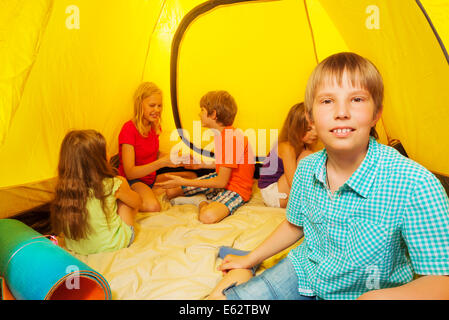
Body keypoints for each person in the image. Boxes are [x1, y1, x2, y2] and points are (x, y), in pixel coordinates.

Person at [208, 52, 449, 300]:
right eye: (327, 101)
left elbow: (441, 281)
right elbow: (294, 224)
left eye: (356, 99)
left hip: (365, 290)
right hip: (304, 271)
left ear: (376, 113)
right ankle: (243, 275)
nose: (342, 112)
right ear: (311, 118)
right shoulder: (306, 168)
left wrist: (377, 297)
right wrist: (249, 258)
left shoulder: (417, 184)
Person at [155, 90, 255, 224]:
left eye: (202, 110)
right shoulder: (222, 134)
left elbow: (221, 182)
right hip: (222, 180)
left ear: (213, 114)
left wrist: (184, 181)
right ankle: (204, 195)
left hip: (236, 189)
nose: (199, 114)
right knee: (171, 192)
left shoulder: (232, 139)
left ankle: (200, 201)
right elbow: (225, 163)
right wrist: (201, 165)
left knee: (207, 216)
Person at [51, 130, 142, 255]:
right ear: (98, 161)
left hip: (78, 248)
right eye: (106, 152)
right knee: (123, 200)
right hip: (113, 244)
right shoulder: (113, 184)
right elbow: (138, 202)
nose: (110, 155)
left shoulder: (64, 188)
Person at [118, 82, 196, 213]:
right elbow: (130, 172)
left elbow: (153, 152)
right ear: (140, 104)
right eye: (152, 105)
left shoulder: (153, 126)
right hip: (134, 181)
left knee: (191, 177)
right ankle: (127, 199)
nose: (157, 110)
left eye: (159, 106)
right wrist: (161, 163)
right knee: (153, 207)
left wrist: (175, 158)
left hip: (151, 178)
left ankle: (153, 192)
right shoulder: (128, 129)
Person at [258, 102, 318, 208]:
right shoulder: (287, 147)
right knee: (308, 157)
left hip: (282, 187)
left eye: (316, 127)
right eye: (308, 129)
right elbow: (294, 183)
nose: (315, 133)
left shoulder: (303, 147)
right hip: (272, 193)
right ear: (296, 129)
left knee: (310, 156)